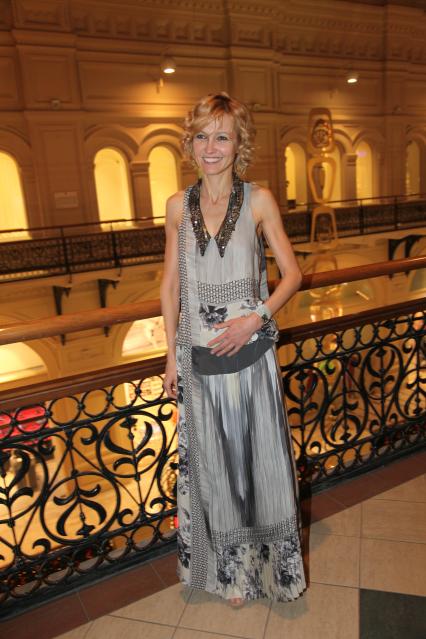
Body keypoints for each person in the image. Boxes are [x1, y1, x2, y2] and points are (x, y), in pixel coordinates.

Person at [160, 92, 306, 606]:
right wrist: (171, 356)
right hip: (200, 364)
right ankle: (232, 573)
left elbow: (293, 275)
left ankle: (272, 568)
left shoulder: (259, 200)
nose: (210, 147)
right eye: (201, 136)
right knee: (218, 473)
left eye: (221, 136)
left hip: (251, 361)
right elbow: (170, 286)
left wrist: (254, 320)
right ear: (190, 143)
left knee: (260, 464)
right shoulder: (177, 206)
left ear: (239, 142)